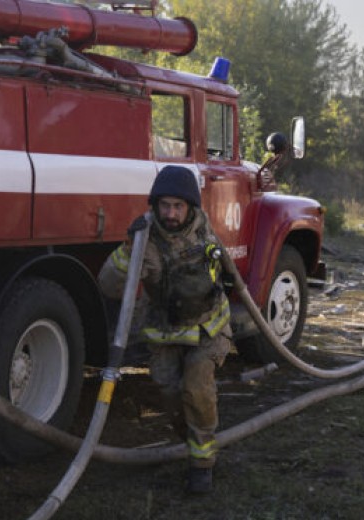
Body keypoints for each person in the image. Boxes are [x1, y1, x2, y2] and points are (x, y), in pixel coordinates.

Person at [97, 165, 232, 494]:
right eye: (165, 206)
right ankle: (195, 443)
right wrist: (129, 252)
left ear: (191, 208)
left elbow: (226, 274)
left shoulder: (203, 233)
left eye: (178, 206)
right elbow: (108, 285)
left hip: (207, 329)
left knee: (197, 388)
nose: (171, 214)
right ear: (155, 205)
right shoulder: (144, 240)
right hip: (163, 331)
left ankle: (202, 466)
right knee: (172, 398)